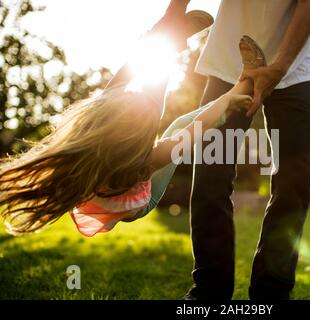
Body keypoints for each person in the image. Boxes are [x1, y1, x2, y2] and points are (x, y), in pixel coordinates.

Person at [0, 5, 261, 238]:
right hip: (138, 202)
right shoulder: (147, 161)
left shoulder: (97, 119)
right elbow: (197, 128)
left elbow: (127, 72)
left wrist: (158, 38)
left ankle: (172, 42)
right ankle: (244, 84)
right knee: (178, 125)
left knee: (133, 94)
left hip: (113, 160)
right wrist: (227, 101)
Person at [187, 0, 310, 300]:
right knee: (211, 176)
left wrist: (279, 68)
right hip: (228, 73)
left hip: (293, 73)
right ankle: (209, 292)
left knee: (293, 186)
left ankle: (272, 294)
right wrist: (172, 18)